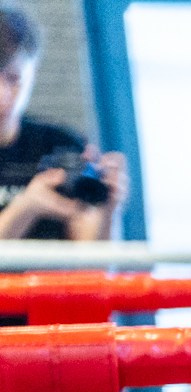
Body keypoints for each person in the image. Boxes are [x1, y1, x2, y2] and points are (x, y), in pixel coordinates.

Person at [0, 6, 123, 243]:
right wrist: (27, 207)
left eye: (14, 79)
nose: (3, 95)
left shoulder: (61, 145)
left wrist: (108, 210)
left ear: (32, 73)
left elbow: (93, 268)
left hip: (57, 281)